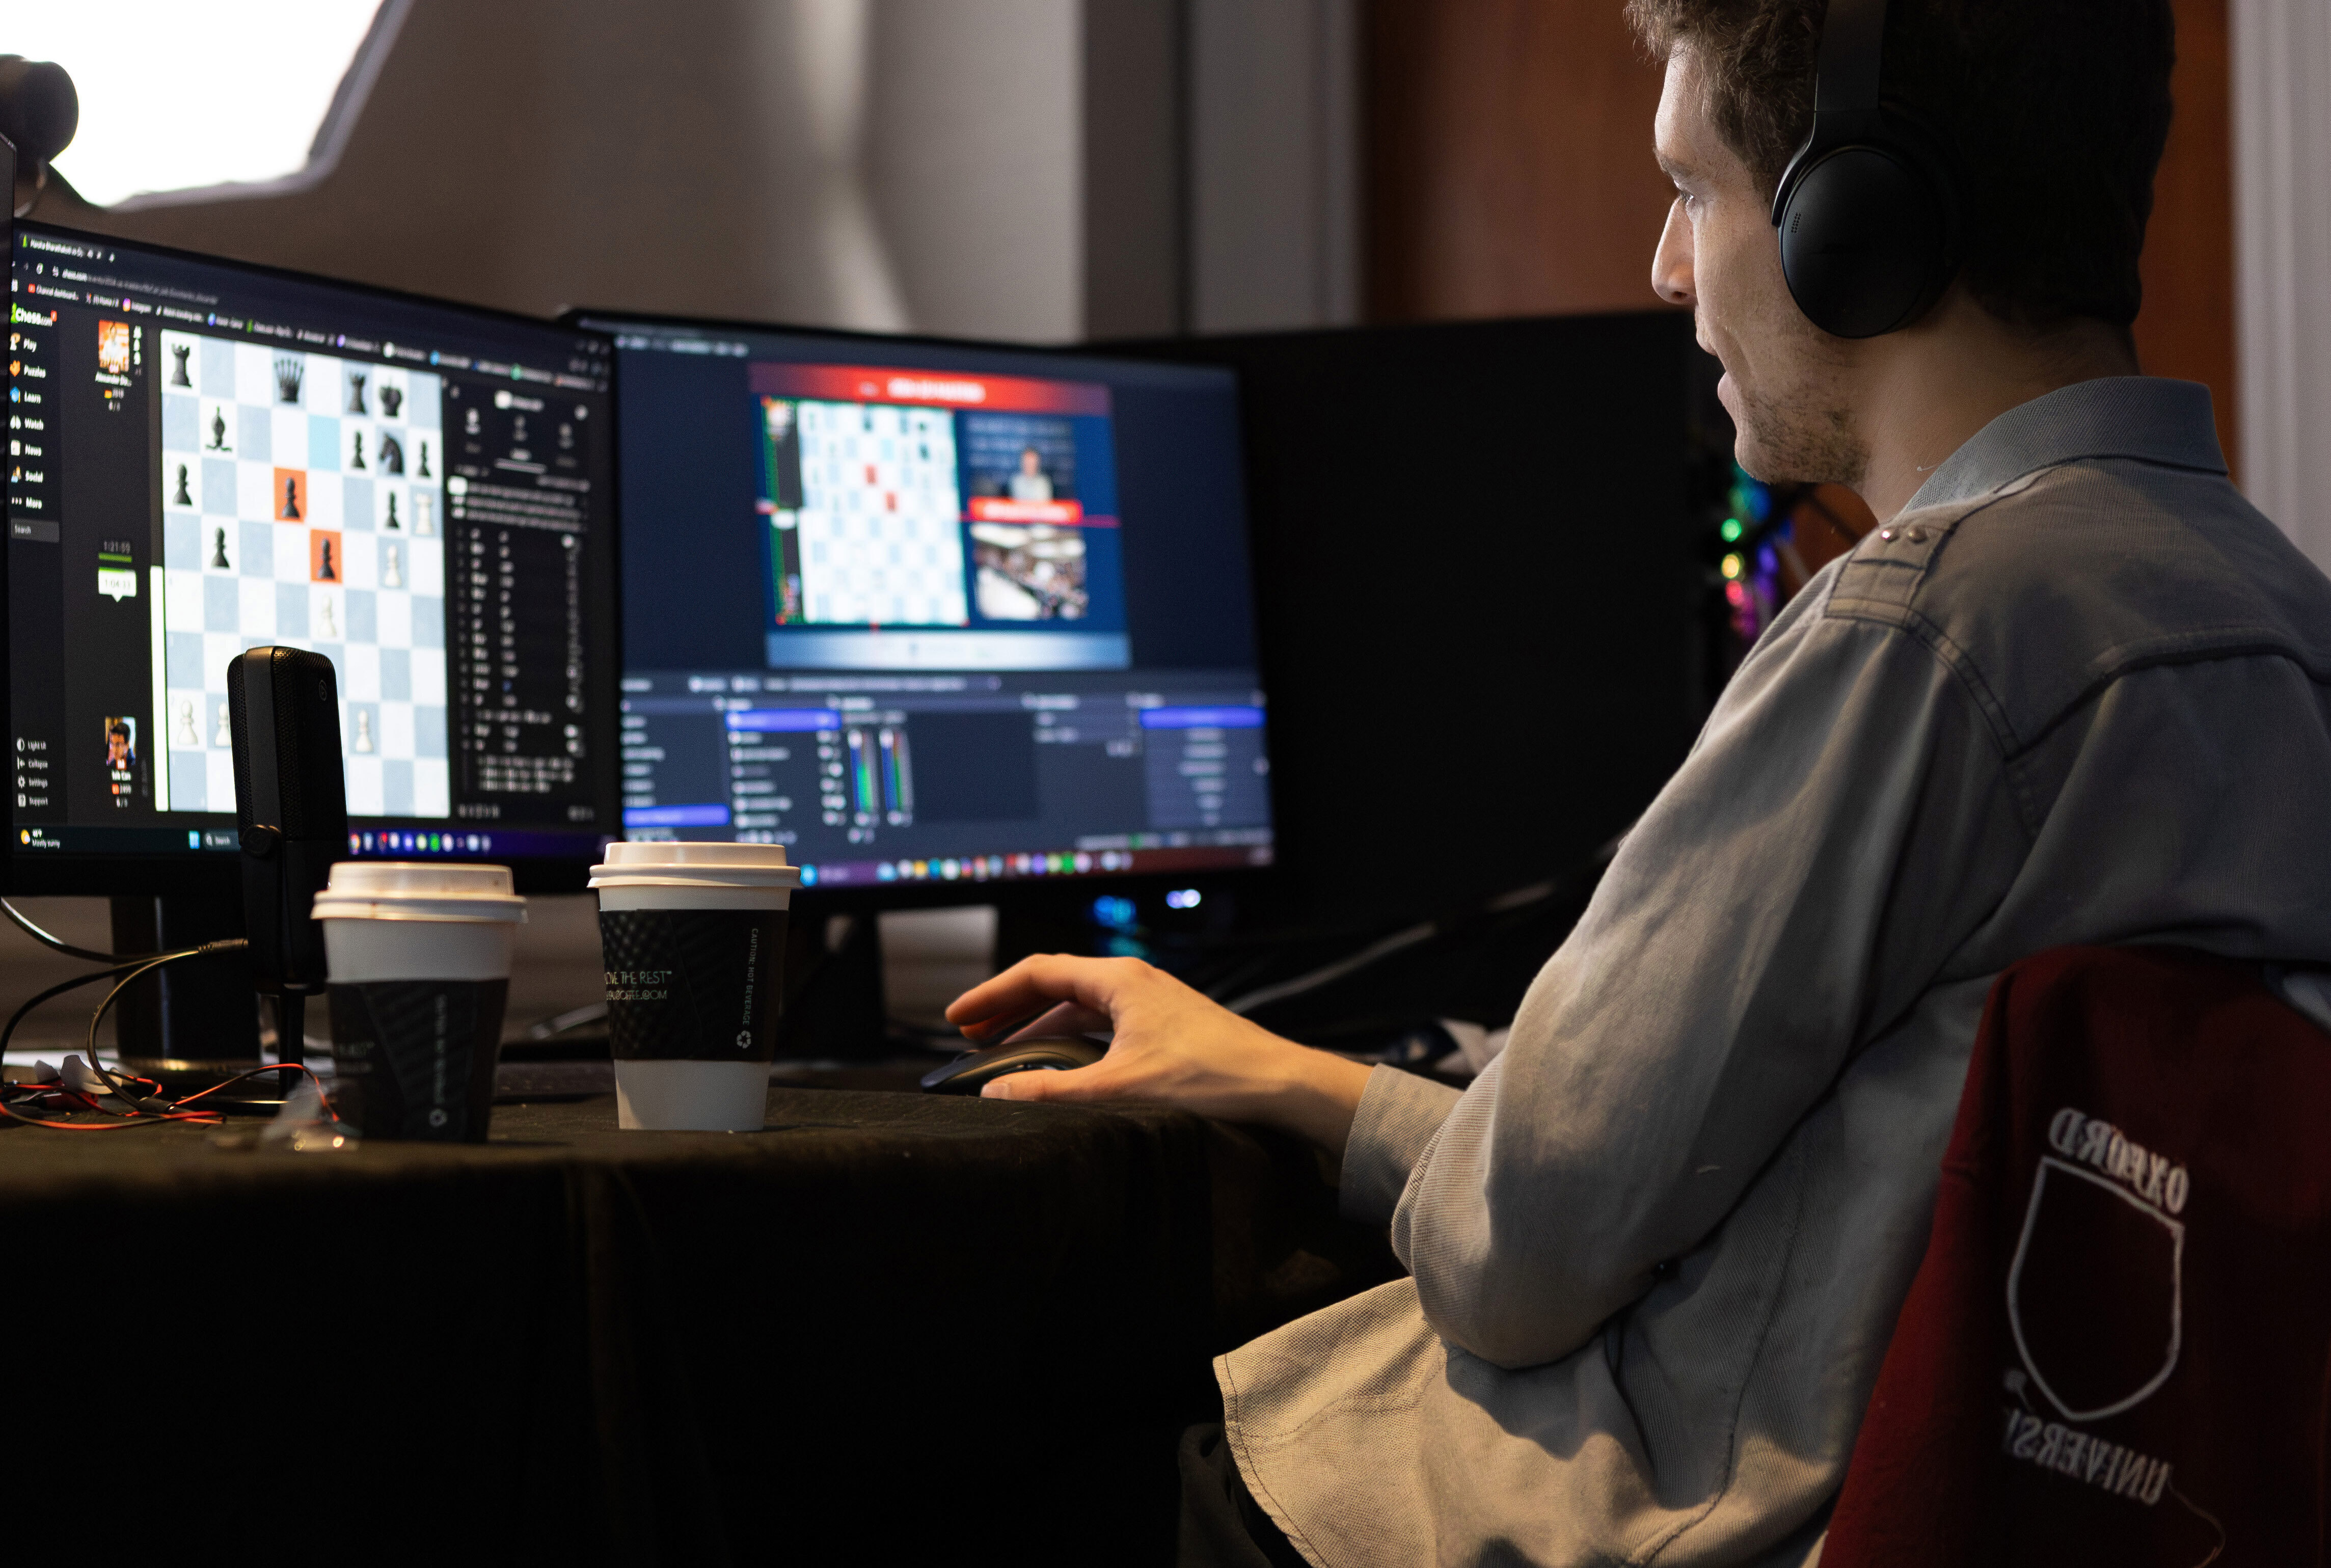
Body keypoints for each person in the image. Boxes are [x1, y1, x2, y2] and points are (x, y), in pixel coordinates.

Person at [945, 2, 2331, 1563]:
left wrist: (1331, 1112)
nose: (1670, 269)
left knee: (976, 1426)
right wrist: (1281, 1075)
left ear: (1851, 222)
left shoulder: (1925, 635)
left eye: (1692, 190)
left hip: (1666, 1515)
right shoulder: (2280, 619)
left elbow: (1515, 1251)